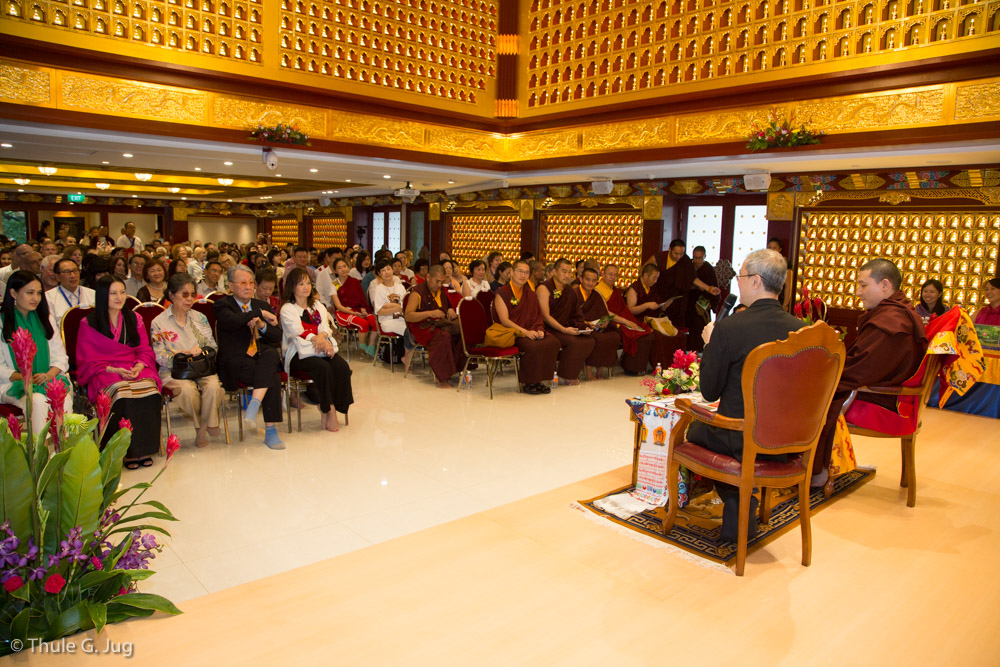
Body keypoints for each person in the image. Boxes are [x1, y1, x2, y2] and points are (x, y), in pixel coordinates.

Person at [686, 249, 804, 543]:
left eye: (740, 277)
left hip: (740, 436)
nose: (736, 284)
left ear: (755, 281)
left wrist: (711, 344)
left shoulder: (730, 328)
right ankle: (743, 499)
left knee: (694, 429)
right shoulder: (802, 331)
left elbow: (709, 391)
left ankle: (739, 498)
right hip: (788, 440)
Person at [812, 258, 928, 483]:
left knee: (813, 393)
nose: (858, 292)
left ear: (885, 285)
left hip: (881, 398)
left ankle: (816, 470)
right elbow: (866, 363)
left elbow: (862, 369)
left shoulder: (891, 322)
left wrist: (822, 374)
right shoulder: (897, 313)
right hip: (887, 389)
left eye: (863, 285)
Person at [76, 276, 162, 467]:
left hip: (133, 365)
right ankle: (124, 451)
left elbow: (145, 350)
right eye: (113, 293)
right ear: (102, 296)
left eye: (122, 292)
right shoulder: (88, 322)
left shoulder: (135, 318)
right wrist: (115, 369)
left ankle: (144, 448)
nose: (119, 297)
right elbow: (87, 359)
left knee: (149, 389)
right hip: (104, 369)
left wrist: (139, 365)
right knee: (121, 391)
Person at [150, 273, 225, 448]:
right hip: (175, 370)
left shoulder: (200, 318)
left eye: (193, 294)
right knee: (188, 390)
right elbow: (159, 356)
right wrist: (180, 356)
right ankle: (203, 426)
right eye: (184, 294)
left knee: (214, 387)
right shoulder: (159, 322)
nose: (190, 299)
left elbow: (212, 347)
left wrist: (199, 351)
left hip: (201, 367)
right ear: (171, 295)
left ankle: (203, 427)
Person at [215, 265, 285, 450]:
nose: (248, 287)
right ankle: (270, 431)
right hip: (236, 362)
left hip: (261, 358)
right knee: (273, 378)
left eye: (251, 283)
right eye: (243, 283)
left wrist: (262, 325)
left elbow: (276, 336)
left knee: (271, 354)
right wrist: (258, 314)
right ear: (231, 285)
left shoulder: (262, 305)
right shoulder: (223, 304)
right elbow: (233, 322)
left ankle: (254, 404)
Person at [279, 268, 353, 432]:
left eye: (308, 283)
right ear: (292, 287)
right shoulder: (288, 309)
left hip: (321, 348)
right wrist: (316, 338)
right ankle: (328, 409)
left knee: (341, 367)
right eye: (301, 284)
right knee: (322, 367)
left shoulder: (317, 305)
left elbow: (325, 326)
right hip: (298, 353)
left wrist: (321, 338)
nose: (306, 287)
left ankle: (338, 405)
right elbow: (296, 330)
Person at [0, 270, 73, 435]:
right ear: (13, 293)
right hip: (12, 384)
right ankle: (39, 455)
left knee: (64, 399)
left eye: (39, 293)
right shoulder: (2, 323)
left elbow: (60, 358)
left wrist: (47, 375)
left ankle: (61, 451)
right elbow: (1, 368)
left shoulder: (44, 320)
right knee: (39, 402)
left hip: (46, 379)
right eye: (30, 293)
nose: (36, 298)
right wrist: (27, 378)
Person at [490, 260, 561, 394]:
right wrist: (525, 332)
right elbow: (504, 320)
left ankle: (541, 380)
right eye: (520, 271)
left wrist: (539, 330)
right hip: (512, 332)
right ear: (511, 272)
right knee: (532, 346)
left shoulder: (530, 294)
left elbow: (537, 316)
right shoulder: (502, 293)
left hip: (531, 330)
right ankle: (529, 383)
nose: (523, 275)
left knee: (553, 342)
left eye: (526, 272)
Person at [405, 265, 466, 387]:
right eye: (436, 281)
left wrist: (449, 309)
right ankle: (441, 377)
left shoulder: (441, 290)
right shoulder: (417, 292)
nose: (439, 285)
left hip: (440, 323)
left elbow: (446, 305)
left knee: (460, 333)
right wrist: (430, 313)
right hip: (423, 327)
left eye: (442, 282)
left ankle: (455, 371)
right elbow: (408, 316)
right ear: (428, 277)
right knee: (443, 337)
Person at [537, 258, 596, 385]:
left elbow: (576, 314)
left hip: (565, 327)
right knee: (573, 341)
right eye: (564, 271)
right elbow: (545, 316)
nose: (567, 275)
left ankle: (568, 373)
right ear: (554, 271)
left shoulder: (569, 290)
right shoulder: (544, 287)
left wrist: (583, 327)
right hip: (548, 328)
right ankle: (567, 375)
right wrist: (564, 330)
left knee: (589, 340)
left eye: (570, 272)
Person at [595, 263, 654, 374]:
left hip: (622, 320)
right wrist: (627, 322)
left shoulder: (614, 290)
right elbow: (606, 312)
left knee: (646, 333)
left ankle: (636, 367)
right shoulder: (598, 290)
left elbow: (622, 309)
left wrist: (630, 321)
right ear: (603, 274)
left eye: (615, 275)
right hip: (611, 323)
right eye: (610, 274)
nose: (613, 277)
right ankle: (631, 367)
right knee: (636, 334)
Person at [648, 239, 720, 327]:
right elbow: (645, 273)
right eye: (676, 253)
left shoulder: (685, 260)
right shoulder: (660, 257)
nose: (678, 256)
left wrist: (708, 288)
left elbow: (692, 278)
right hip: (660, 296)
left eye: (681, 253)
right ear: (670, 249)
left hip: (677, 299)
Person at [577, 266, 632, 380]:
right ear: (581, 279)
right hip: (582, 326)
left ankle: (600, 369)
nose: (590, 283)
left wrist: (604, 322)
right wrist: (586, 323)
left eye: (593, 281)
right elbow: (572, 315)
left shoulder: (596, 294)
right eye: (588, 280)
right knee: (597, 338)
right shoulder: (574, 293)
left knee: (613, 336)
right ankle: (588, 370)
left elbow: (603, 313)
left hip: (597, 326)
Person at [329, 258, 379, 356]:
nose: (343, 269)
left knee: (376, 321)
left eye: (344, 266)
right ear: (335, 270)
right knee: (363, 323)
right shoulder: (334, 284)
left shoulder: (355, 281)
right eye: (339, 268)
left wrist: (363, 310)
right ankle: (363, 347)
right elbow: (338, 305)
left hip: (357, 309)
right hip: (343, 312)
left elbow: (362, 300)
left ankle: (371, 346)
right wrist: (352, 313)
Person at [371, 258, 412, 366]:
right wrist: (396, 307)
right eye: (383, 270)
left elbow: (405, 306)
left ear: (392, 270)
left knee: (415, 328)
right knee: (409, 331)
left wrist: (389, 305)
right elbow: (379, 310)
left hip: (401, 318)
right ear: (379, 273)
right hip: (387, 321)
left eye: (388, 269)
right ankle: (407, 358)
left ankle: (407, 356)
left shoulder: (400, 287)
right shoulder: (379, 289)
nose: (387, 272)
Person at [687, 245, 721, 352]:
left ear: (705, 256)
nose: (697, 260)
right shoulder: (688, 266)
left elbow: (713, 288)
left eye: (700, 258)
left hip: (702, 304)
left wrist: (710, 302)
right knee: (689, 331)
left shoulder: (708, 269)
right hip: (688, 302)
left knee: (700, 330)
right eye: (695, 257)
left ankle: (700, 353)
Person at [46, 258, 96, 327]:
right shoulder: (49, 298)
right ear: (57, 277)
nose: (73, 276)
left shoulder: (93, 294)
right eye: (67, 272)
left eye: (75, 271)